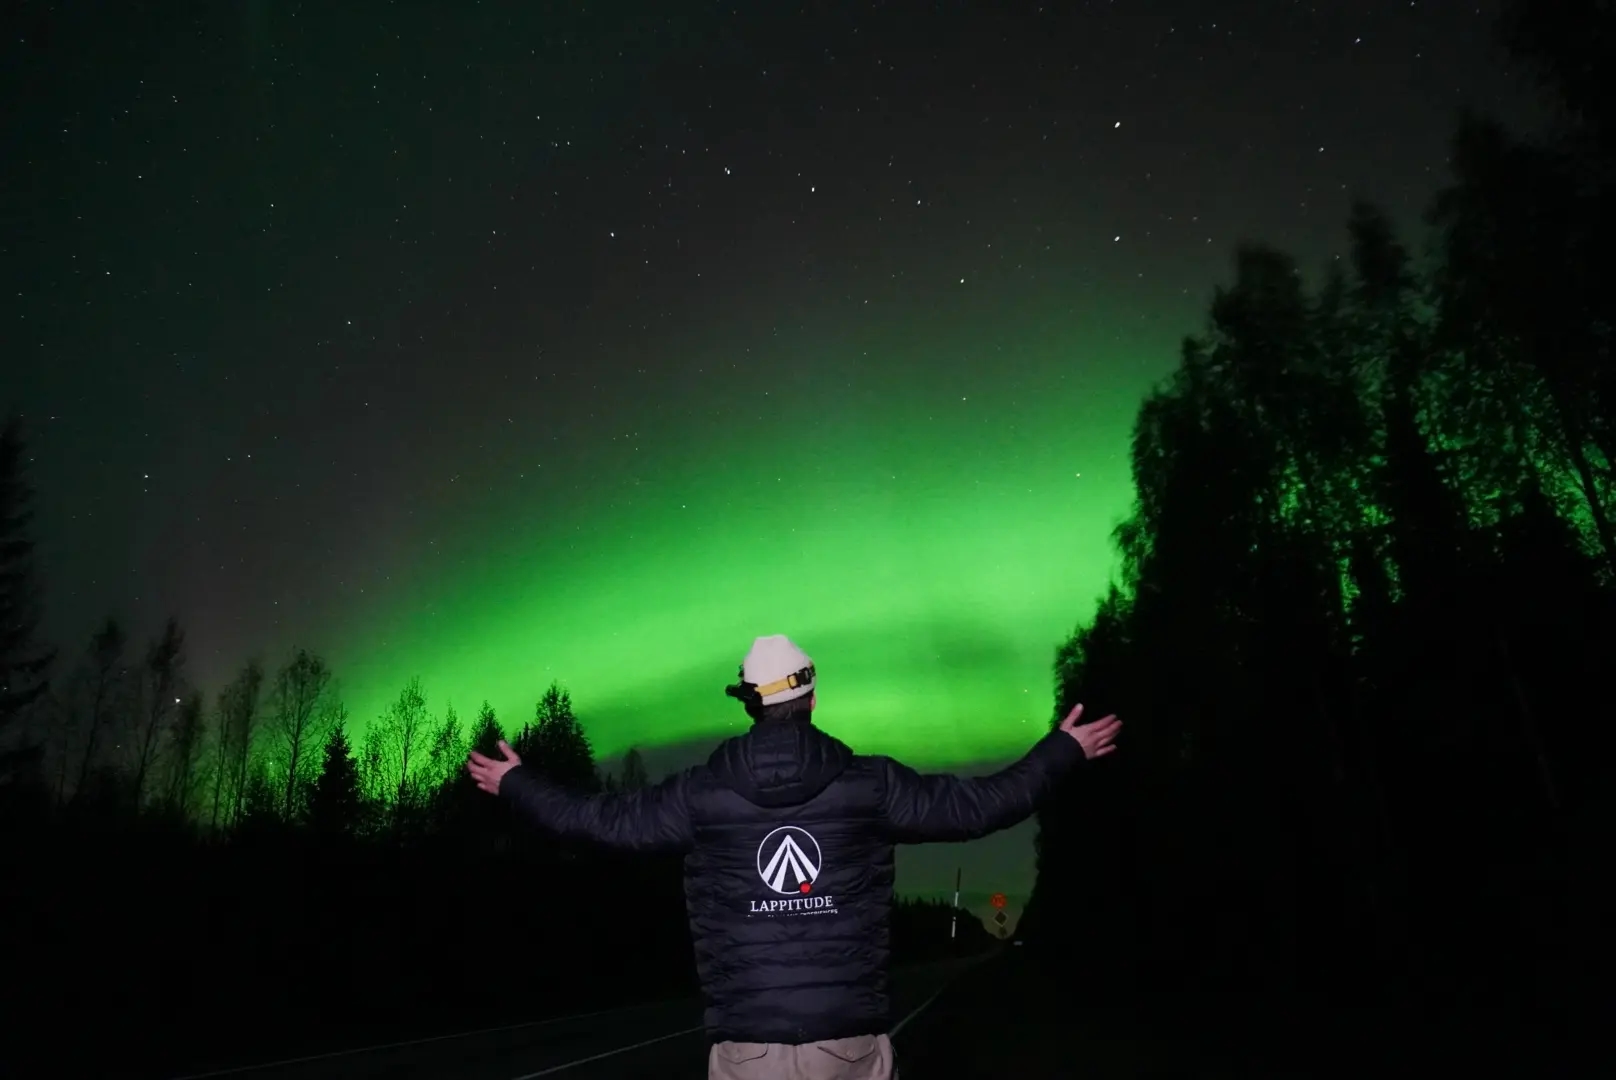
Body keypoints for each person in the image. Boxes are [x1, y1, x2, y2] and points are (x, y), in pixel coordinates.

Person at [466, 634, 1120, 1080]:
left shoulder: (701, 793)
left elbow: (597, 821)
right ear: (810, 696)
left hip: (748, 1050)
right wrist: (1062, 750)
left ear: (752, 702)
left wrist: (518, 782)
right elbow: (982, 806)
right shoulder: (871, 785)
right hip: (850, 1044)